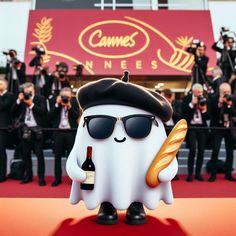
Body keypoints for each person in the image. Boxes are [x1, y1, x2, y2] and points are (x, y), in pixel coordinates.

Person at [11, 82, 47, 186]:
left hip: (37, 130)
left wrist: (31, 104)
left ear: (33, 90)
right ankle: (28, 176)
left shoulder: (40, 98)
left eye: (29, 91)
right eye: (26, 91)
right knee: (26, 155)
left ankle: (41, 178)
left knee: (39, 155)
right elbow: (13, 112)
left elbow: (42, 111)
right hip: (25, 130)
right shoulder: (22, 100)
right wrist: (18, 100)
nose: (28, 93)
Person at [49, 87, 80, 186]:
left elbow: (76, 118)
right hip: (58, 132)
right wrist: (58, 105)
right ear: (60, 96)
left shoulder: (75, 103)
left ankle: (72, 180)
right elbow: (49, 116)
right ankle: (57, 179)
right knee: (57, 157)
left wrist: (69, 107)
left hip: (70, 132)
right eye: (63, 96)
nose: (65, 98)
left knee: (71, 158)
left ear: (71, 96)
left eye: (67, 96)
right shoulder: (56, 103)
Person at [208, 83, 236, 182]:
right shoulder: (213, 98)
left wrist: (229, 105)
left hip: (229, 128)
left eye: (228, 92)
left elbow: (234, 113)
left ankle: (228, 173)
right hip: (217, 127)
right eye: (225, 92)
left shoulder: (233, 99)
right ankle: (213, 174)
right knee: (215, 150)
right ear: (220, 92)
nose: (227, 94)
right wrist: (219, 104)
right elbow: (210, 114)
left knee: (230, 151)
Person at [182, 83, 209, 182]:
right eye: (198, 92)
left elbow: (209, 116)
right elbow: (183, 112)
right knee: (193, 150)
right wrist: (191, 104)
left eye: (201, 92)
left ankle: (198, 174)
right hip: (191, 127)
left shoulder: (205, 100)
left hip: (202, 127)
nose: (200, 94)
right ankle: (190, 174)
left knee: (201, 150)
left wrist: (204, 110)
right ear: (193, 91)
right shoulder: (187, 98)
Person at [161, 89, 182, 180]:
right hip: (164, 130)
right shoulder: (160, 105)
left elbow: (180, 115)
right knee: (163, 152)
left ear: (168, 97)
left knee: (175, 152)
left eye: (162, 95)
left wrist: (169, 108)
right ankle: (164, 172)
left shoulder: (177, 104)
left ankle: (174, 173)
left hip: (174, 130)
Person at [0, 77, 15, 182]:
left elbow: (3, 106)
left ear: (5, 85)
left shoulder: (9, 96)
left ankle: (2, 174)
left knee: (1, 151)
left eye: (0, 83)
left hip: (4, 128)